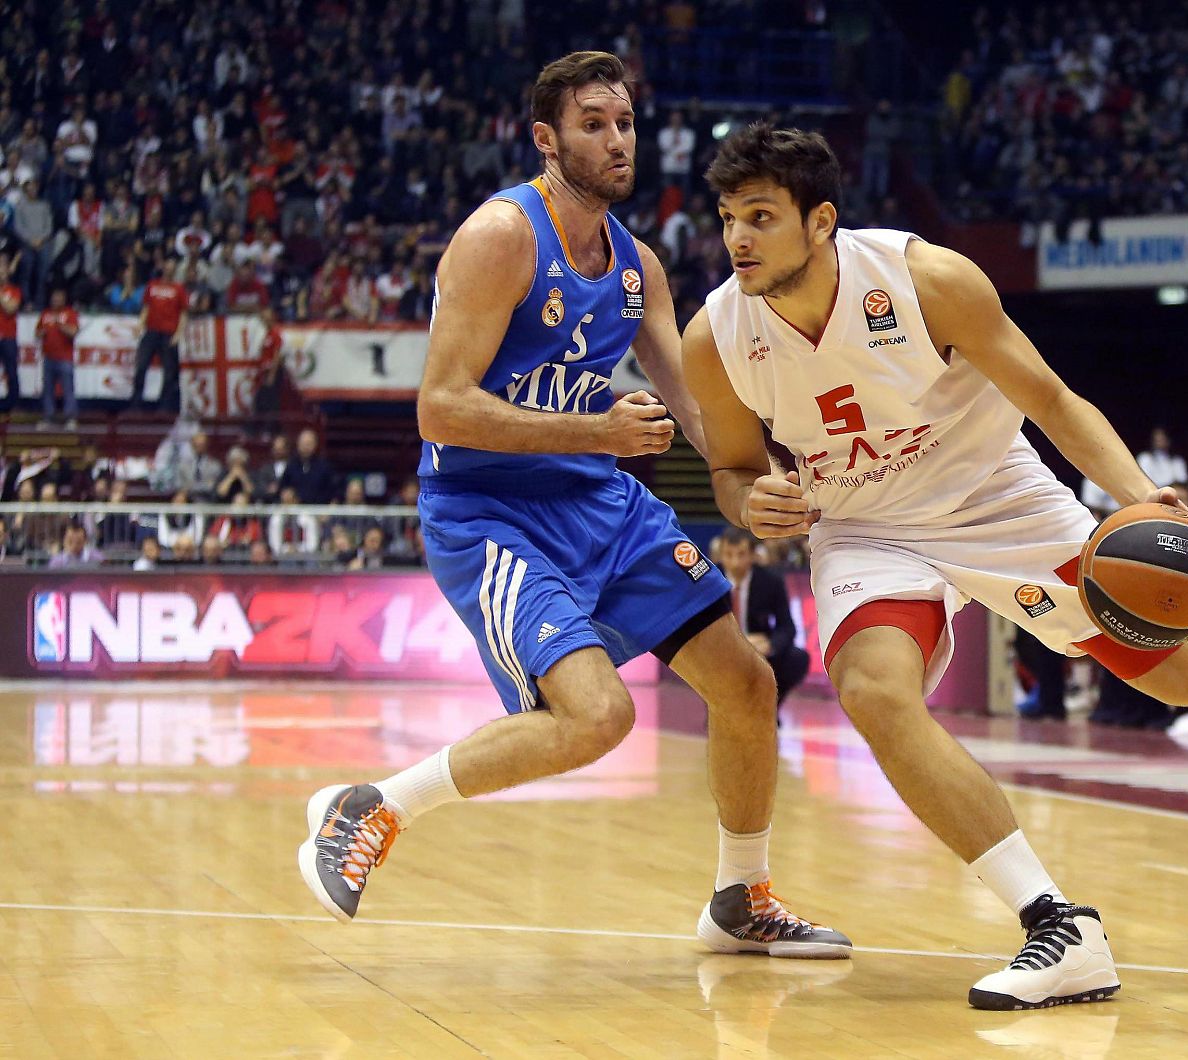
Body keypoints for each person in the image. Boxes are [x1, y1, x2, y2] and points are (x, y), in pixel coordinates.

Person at [684, 124, 1188, 1010]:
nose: (737, 239)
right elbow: (733, 467)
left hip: (995, 497)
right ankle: (1058, 924)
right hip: (864, 525)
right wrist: (753, 502)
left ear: (820, 221)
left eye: (759, 217)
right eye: (727, 218)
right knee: (871, 691)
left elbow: (1049, 396)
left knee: (1184, 683)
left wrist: (1140, 494)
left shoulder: (926, 279)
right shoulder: (715, 335)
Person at [295, 53, 848, 960]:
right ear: (547, 139)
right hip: (489, 511)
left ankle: (739, 900)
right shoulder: (500, 237)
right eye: (594, 123)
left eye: (625, 122)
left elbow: (703, 417)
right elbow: (440, 407)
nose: (617, 140)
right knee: (599, 717)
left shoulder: (639, 268)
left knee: (747, 685)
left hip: (597, 500)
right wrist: (596, 431)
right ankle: (374, 805)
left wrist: (775, 480)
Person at [717, 527, 811, 710]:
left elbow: (787, 627)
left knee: (797, 659)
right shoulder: (709, 580)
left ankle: (768, 709)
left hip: (759, 652)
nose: (735, 562)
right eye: (729, 555)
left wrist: (771, 645)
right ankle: (718, 710)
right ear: (721, 555)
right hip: (722, 650)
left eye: (741, 554)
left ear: (753, 555)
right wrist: (737, 643)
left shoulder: (770, 582)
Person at [129, 258, 188, 413]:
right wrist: (140, 324)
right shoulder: (152, 285)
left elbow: (183, 313)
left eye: (172, 267)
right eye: (167, 266)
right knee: (141, 366)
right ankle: (136, 403)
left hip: (168, 333)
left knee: (169, 372)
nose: (169, 269)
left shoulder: (179, 288)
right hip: (151, 331)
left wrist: (178, 333)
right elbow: (146, 307)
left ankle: (164, 406)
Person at [37, 288, 80, 427]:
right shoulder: (45, 314)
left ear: (64, 299)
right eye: (54, 297)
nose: (55, 300)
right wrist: (41, 332)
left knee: (68, 390)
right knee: (48, 390)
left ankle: (70, 419)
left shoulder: (70, 313)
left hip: (65, 359)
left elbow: (73, 332)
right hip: (48, 358)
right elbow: (37, 332)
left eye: (59, 298)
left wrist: (60, 325)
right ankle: (48, 418)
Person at [0, 256, 21, 412]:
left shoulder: (14, 290)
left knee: (11, 371)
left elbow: (10, 309)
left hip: (7, 337)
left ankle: (11, 403)